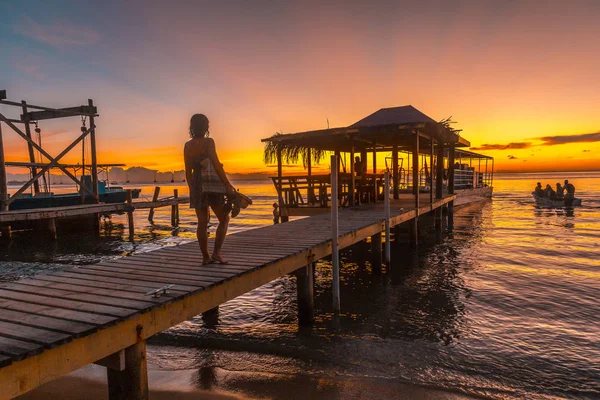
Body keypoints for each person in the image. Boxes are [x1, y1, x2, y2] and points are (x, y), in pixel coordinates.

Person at [184, 114, 236, 265]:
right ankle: (217, 253)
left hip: (196, 184)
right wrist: (227, 184)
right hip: (211, 183)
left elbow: (187, 171)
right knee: (224, 218)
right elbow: (216, 163)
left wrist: (192, 188)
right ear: (206, 126)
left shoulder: (187, 146)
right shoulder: (209, 142)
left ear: (192, 127)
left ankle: (205, 257)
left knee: (202, 222)